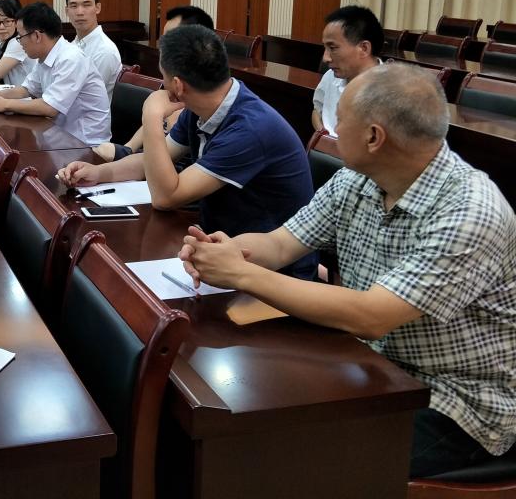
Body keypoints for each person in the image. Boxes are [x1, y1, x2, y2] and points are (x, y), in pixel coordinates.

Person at [178, 63, 516, 478]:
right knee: (238, 422)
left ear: (374, 137)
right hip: (370, 365)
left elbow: (371, 316)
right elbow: (281, 244)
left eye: (341, 120)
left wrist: (242, 274)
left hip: (454, 402)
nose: (332, 128)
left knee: (287, 458)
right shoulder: (358, 180)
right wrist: (227, 251)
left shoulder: (470, 212)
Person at [59, 24, 318, 279]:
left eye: (162, 76)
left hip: (273, 272)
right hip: (219, 248)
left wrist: (151, 116)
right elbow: (152, 161)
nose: (162, 85)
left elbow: (166, 197)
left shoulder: (250, 129)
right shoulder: (204, 106)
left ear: (178, 86)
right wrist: (99, 173)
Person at [93, 5, 214, 162]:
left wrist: (153, 116)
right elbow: (138, 153)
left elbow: (165, 165)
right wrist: (125, 151)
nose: (162, 48)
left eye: (169, 41)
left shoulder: (201, 101)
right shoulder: (171, 87)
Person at [0, 1, 111, 145]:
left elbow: (50, 107)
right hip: (58, 135)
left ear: (37, 36)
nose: (19, 42)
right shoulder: (45, 56)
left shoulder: (71, 59)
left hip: (85, 144)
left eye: (20, 36)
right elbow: (27, 89)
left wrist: (5, 104)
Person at [313, 5, 383, 137]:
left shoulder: (391, 92)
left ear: (364, 48)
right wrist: (323, 136)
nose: (325, 58)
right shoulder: (331, 76)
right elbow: (318, 110)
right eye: (325, 48)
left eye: (333, 48)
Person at [65, 0, 122, 99]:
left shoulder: (105, 50)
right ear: (67, 11)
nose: (80, 12)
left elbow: (84, 97)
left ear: (97, 8)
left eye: (86, 5)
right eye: (74, 6)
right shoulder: (72, 45)